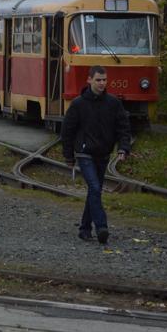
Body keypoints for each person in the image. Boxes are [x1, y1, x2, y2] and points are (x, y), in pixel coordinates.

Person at [62, 65, 131, 245]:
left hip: (103, 153)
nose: (102, 83)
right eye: (98, 80)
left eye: (104, 80)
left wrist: (123, 148)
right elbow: (67, 131)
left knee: (95, 191)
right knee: (94, 187)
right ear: (89, 80)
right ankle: (102, 227)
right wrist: (69, 155)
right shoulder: (78, 104)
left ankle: (85, 229)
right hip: (84, 153)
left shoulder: (113, 103)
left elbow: (123, 128)